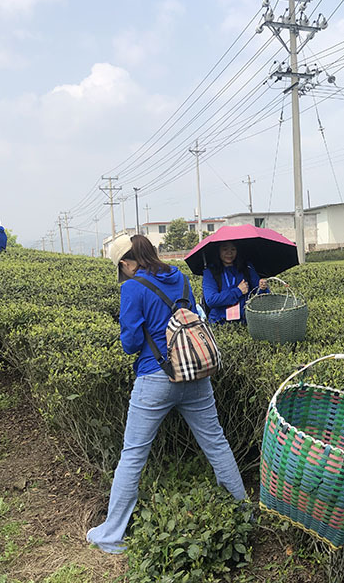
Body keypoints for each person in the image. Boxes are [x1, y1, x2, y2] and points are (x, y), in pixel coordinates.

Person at [87, 235, 246, 554]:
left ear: (125, 263)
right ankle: (241, 514)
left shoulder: (132, 287)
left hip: (155, 378)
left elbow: (130, 344)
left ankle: (111, 534)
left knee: (133, 453)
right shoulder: (181, 278)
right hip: (195, 373)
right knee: (216, 442)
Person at [202, 241, 267, 324]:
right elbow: (211, 300)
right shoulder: (210, 272)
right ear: (218, 251)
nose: (229, 253)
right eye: (225, 249)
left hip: (246, 322)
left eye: (233, 249)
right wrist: (238, 291)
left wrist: (263, 288)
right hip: (219, 323)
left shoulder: (247, 268)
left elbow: (259, 294)